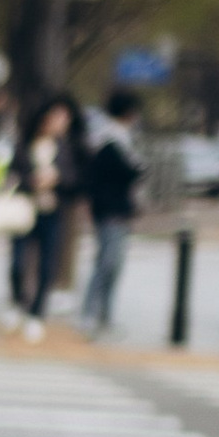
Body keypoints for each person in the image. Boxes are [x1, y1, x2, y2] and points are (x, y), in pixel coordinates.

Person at [6, 95, 75, 336]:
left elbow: (74, 178)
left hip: (51, 211)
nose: (62, 122)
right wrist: (31, 180)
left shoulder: (65, 147)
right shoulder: (25, 143)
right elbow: (12, 173)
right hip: (24, 210)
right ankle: (18, 303)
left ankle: (37, 313)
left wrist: (57, 179)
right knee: (17, 262)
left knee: (47, 265)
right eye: (58, 117)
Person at [78, 100, 143, 333]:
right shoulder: (111, 143)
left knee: (112, 264)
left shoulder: (114, 141)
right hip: (110, 211)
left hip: (115, 211)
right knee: (107, 263)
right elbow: (129, 173)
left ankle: (103, 314)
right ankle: (92, 313)